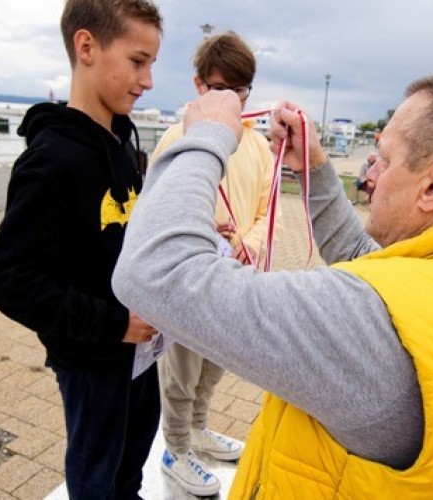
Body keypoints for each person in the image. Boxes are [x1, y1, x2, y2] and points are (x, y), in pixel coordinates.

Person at [113, 73, 433, 498]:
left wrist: (205, 137)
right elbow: (388, 275)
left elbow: (158, 271)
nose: (368, 176)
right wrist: (316, 170)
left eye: (383, 160)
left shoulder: (373, 325)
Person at [0, 1, 163, 498]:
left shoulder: (124, 143)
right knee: (94, 477)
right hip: (91, 361)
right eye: (138, 60)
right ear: (86, 47)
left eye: (151, 64)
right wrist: (113, 325)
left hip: (143, 353)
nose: (147, 80)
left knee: (132, 462)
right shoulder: (50, 160)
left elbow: (124, 225)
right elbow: (8, 280)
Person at [148, 31, 275, 497]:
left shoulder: (257, 146)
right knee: (180, 371)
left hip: (236, 276)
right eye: (221, 89)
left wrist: (251, 243)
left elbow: (265, 210)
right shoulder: (177, 137)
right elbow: (157, 208)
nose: (232, 100)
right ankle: (175, 449)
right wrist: (205, 231)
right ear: (199, 86)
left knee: (215, 363)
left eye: (241, 91)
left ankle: (199, 430)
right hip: (189, 279)